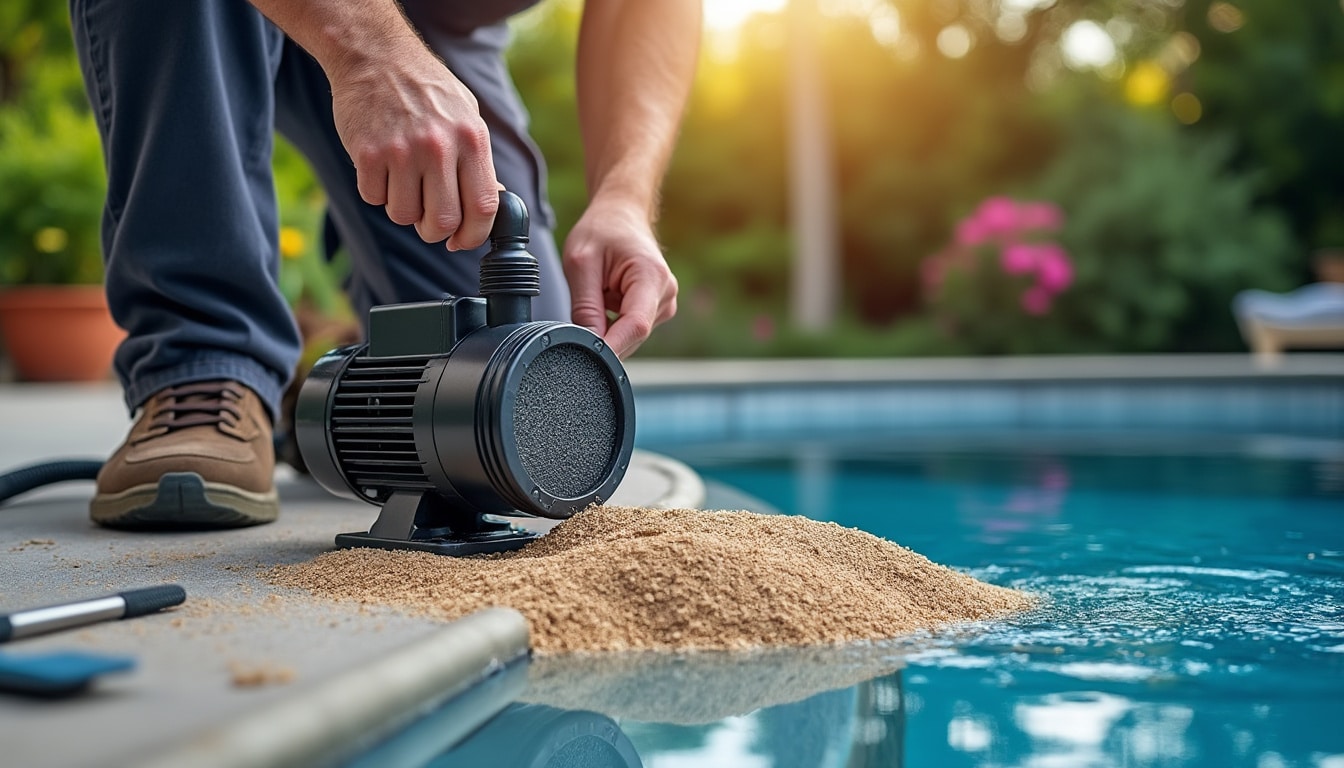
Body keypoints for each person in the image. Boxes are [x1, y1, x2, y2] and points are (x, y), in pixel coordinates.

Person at [69, 0, 699, 530]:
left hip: (432, 24)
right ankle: (205, 366)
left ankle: (332, 395)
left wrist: (625, 198)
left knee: (498, 385)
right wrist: (370, 53)